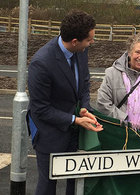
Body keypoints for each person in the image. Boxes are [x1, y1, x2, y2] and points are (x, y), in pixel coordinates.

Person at [27, 10, 103, 195]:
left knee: (76, 182)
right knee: (48, 185)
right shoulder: (41, 63)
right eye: (89, 40)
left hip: (74, 132)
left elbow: (84, 82)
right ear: (75, 41)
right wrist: (75, 120)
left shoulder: (80, 50)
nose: (92, 42)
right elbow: (41, 109)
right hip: (49, 134)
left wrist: (84, 107)